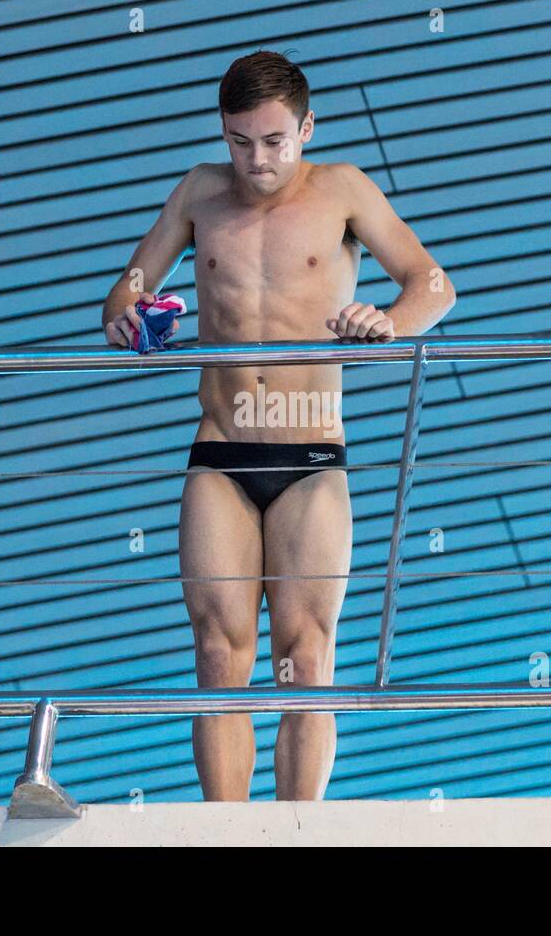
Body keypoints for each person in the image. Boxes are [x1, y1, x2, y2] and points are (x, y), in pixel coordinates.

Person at [102, 50, 455, 801]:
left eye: (273, 141)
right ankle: (226, 833)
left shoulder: (344, 190)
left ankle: (298, 834)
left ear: (306, 128)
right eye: (239, 141)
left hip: (310, 454)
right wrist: (131, 316)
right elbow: (125, 295)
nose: (256, 160)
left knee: (305, 657)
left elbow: (433, 283)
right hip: (221, 451)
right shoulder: (199, 194)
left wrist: (388, 322)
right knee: (218, 654)